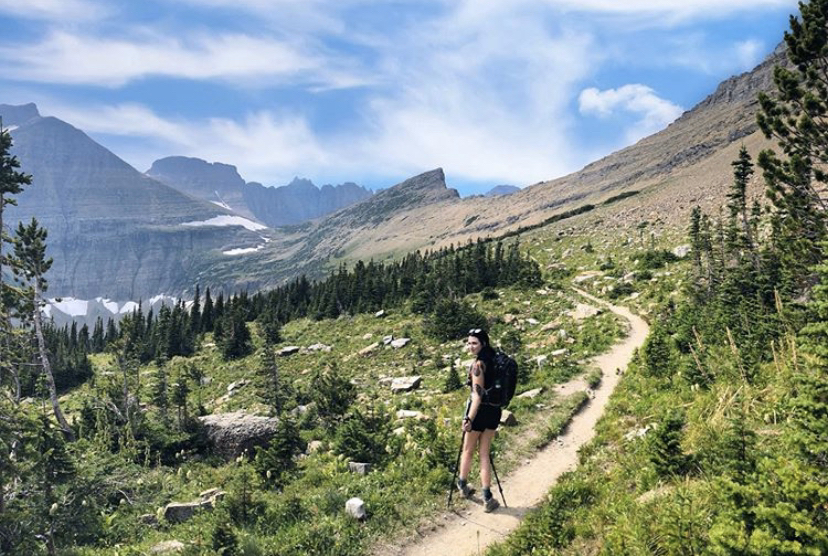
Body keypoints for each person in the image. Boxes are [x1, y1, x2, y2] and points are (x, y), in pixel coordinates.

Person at [456, 328, 501, 512]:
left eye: (474, 343)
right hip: (494, 412)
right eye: (469, 343)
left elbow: (477, 396)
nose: (470, 346)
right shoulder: (495, 359)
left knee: (467, 450)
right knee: (484, 453)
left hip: (480, 413)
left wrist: (469, 418)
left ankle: (462, 485)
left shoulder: (478, 366)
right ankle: (487, 497)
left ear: (483, 343)